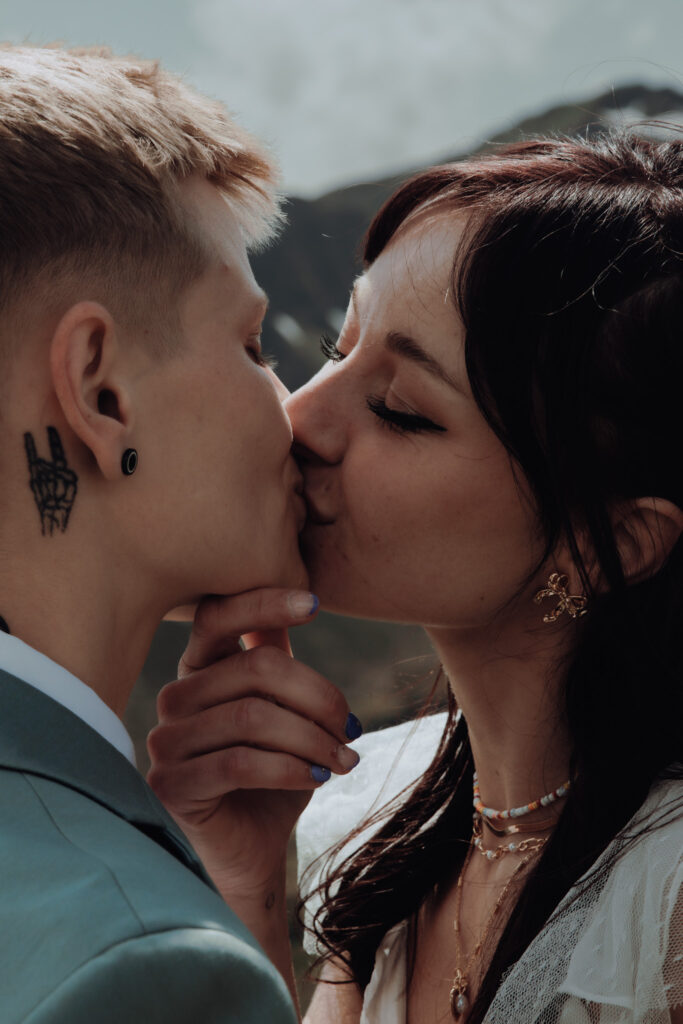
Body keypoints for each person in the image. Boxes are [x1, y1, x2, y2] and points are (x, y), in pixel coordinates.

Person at [149, 131, 683, 1023]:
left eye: (400, 411)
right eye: (335, 344)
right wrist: (244, 883)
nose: (302, 414)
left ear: (612, 544)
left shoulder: (662, 900)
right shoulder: (384, 829)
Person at [0, 43, 363, 1023]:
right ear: (99, 389)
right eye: (252, 347)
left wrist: (227, 884)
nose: (289, 409)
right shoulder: (142, 968)